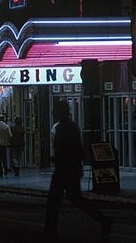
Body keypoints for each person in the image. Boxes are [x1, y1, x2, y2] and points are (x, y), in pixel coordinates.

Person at [44, 99, 113, 240]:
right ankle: (103, 220)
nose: (52, 113)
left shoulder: (65, 128)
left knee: (56, 200)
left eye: (55, 111)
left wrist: (58, 159)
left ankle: (50, 231)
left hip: (65, 169)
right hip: (70, 168)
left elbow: (68, 150)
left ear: (60, 112)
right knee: (73, 198)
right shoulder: (70, 127)